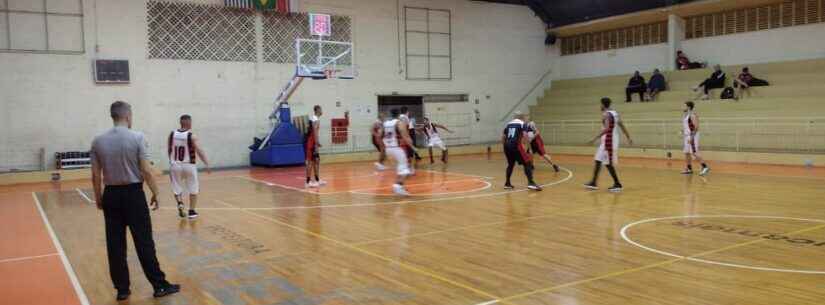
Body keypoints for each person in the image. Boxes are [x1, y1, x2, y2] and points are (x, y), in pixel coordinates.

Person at [90, 101, 180, 301]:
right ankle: (159, 286)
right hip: (133, 194)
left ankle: (122, 289)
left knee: (115, 245)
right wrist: (155, 192)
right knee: (144, 241)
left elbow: (96, 175)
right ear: (128, 116)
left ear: (112, 116)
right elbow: (146, 170)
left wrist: (98, 197)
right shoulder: (137, 137)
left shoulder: (97, 141)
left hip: (111, 195)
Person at [584, 98, 633, 192]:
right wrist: (628, 137)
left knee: (607, 163)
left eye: (600, 104)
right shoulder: (615, 113)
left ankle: (617, 184)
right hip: (611, 141)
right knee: (598, 159)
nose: (600, 106)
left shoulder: (606, 114)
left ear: (603, 104)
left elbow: (606, 129)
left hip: (608, 141)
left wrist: (594, 138)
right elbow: (622, 126)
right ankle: (593, 182)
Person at [168, 114, 210, 219]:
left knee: (176, 187)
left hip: (175, 165)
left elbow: (169, 150)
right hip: (189, 165)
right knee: (193, 188)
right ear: (189, 123)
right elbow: (199, 150)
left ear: (180, 123)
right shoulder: (191, 135)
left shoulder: (172, 134)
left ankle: (180, 203)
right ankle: (192, 211)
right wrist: (206, 163)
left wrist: (172, 162)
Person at [502, 113, 541, 191]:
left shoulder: (508, 124)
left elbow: (503, 136)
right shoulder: (522, 124)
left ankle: (507, 183)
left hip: (506, 146)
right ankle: (531, 183)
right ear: (522, 118)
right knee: (528, 163)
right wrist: (529, 148)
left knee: (510, 164)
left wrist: (505, 147)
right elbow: (525, 135)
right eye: (525, 118)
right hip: (515, 145)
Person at [382, 108, 415, 196]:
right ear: (398, 114)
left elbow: (380, 134)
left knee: (400, 168)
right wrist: (412, 146)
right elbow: (405, 136)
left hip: (388, 149)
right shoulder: (399, 123)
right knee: (405, 170)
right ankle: (397, 186)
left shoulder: (385, 123)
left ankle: (400, 186)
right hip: (397, 148)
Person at [682, 101, 710, 176]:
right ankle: (689, 168)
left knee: (694, 152)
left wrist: (691, 137)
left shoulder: (693, 115)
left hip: (692, 136)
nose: (682, 107)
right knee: (687, 152)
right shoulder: (686, 115)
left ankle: (705, 167)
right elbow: (687, 126)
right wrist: (682, 131)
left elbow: (696, 127)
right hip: (687, 136)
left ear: (688, 107)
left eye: (684, 106)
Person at [305, 105, 325, 188]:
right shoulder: (315, 120)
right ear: (317, 110)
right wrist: (316, 144)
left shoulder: (313, 118)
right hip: (311, 143)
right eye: (321, 109)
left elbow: (312, 132)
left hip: (312, 142)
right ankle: (308, 182)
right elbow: (315, 132)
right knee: (310, 162)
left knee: (316, 161)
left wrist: (317, 142)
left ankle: (317, 180)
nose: (322, 111)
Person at [398, 107, 418, 174]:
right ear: (407, 111)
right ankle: (411, 168)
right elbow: (406, 128)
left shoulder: (399, 117)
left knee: (406, 153)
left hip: (402, 136)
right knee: (411, 152)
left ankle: (406, 168)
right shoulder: (405, 117)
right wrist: (409, 136)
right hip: (408, 135)